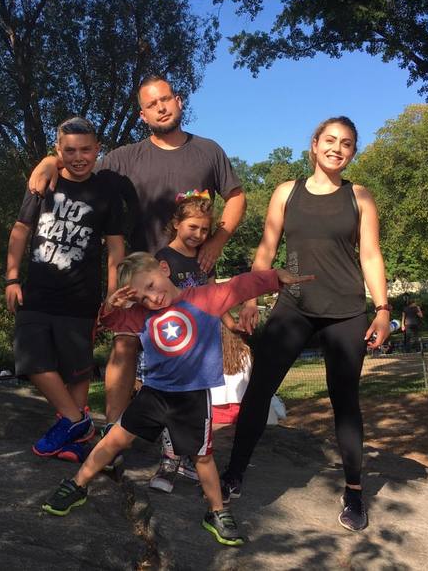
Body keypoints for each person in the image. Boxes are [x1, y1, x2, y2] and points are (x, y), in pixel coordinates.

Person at [28, 75, 246, 462]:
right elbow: (80, 161)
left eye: (166, 99)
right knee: (124, 344)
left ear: (178, 101)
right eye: (151, 104)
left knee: (188, 355)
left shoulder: (208, 151)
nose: (161, 107)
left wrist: (217, 241)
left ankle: (186, 448)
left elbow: (236, 197)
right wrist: (49, 160)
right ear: (142, 115)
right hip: (141, 273)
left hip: (189, 276)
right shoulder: (127, 157)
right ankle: (112, 435)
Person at [41, 252, 314, 547]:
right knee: (114, 439)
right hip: (154, 395)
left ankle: (217, 511)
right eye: (142, 297)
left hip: (192, 399)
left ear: (163, 268)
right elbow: (111, 321)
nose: (152, 298)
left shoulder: (204, 298)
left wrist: (274, 277)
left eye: (151, 285)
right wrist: (110, 305)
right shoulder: (141, 315)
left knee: (202, 457)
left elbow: (240, 286)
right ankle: (77, 484)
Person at [220, 116, 390, 533]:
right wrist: (251, 299)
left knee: (345, 400)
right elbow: (267, 248)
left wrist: (383, 309)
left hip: (346, 310)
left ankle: (354, 492)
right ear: (314, 145)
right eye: (329, 140)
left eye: (346, 143)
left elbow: (370, 254)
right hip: (293, 307)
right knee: (259, 390)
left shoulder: (360, 197)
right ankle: (234, 474)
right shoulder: (286, 192)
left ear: (353, 152)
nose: (337, 148)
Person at [5, 116, 125, 462]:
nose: (78, 157)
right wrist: (11, 277)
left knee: (77, 370)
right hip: (37, 292)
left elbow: (116, 246)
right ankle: (77, 421)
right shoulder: (44, 183)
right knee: (31, 359)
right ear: (58, 150)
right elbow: (20, 230)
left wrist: (113, 292)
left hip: (81, 297)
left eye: (85, 150)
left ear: (97, 149)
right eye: (69, 150)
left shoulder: (106, 193)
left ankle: (72, 440)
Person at [148, 191, 236, 493]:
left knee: (197, 409)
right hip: (173, 349)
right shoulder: (163, 260)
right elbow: (156, 300)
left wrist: (230, 323)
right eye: (192, 227)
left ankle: (189, 459)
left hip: (201, 351)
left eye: (204, 230)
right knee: (171, 406)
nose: (198, 235)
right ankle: (168, 462)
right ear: (176, 224)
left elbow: (215, 296)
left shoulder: (205, 259)